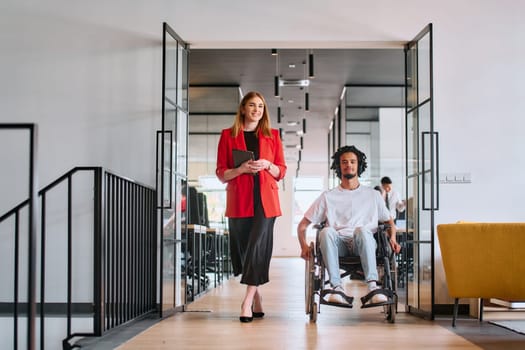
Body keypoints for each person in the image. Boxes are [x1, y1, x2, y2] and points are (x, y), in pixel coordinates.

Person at [297, 145, 400, 306]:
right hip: (339, 245)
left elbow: (389, 222)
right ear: (339, 166)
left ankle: (373, 287)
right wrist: (303, 246)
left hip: (364, 242)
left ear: (359, 165)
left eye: (352, 161)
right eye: (344, 162)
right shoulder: (328, 197)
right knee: (326, 231)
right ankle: (337, 287)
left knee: (362, 230)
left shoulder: (373, 195)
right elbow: (302, 225)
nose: (348, 165)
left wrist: (392, 238)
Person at [216, 91, 287, 323]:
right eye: (252, 105)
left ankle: (246, 302)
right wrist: (241, 170)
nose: (257, 110)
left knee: (257, 247)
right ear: (243, 109)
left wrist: (268, 164)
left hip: (266, 202)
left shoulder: (273, 136)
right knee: (245, 251)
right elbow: (221, 173)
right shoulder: (228, 135)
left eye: (260, 106)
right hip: (239, 201)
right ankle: (257, 297)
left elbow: (281, 171)